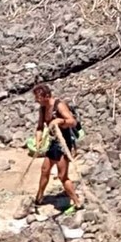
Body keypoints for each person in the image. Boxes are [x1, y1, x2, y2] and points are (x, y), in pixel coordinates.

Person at [32, 83, 81, 213]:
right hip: (53, 142)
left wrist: (60, 121)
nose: (36, 100)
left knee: (62, 175)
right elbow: (40, 127)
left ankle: (77, 202)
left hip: (64, 143)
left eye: (38, 97)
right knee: (45, 170)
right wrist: (38, 141)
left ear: (46, 96)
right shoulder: (43, 109)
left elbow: (72, 121)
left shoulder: (59, 105)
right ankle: (39, 198)